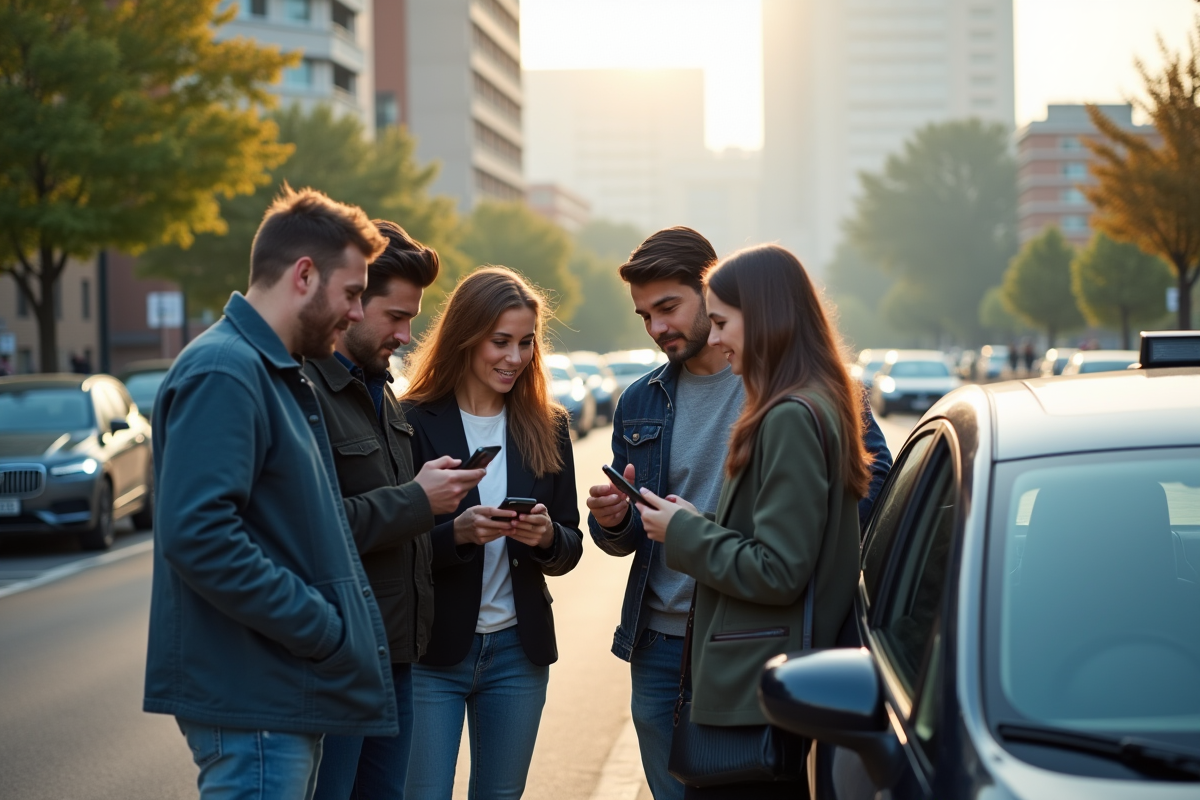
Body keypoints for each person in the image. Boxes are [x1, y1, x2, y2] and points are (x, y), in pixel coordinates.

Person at [585, 227, 892, 800]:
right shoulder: (640, 400)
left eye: (670, 308)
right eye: (643, 316)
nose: (657, 329)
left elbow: (858, 496)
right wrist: (618, 520)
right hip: (663, 638)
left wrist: (698, 530)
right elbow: (634, 536)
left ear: (715, 294)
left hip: (758, 641)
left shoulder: (789, 404)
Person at [144, 187, 397, 800]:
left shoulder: (267, 369)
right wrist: (323, 629)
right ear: (304, 275)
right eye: (353, 292)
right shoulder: (226, 372)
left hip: (272, 688)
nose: (358, 313)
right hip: (254, 698)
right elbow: (200, 535)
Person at [306, 221, 486, 800]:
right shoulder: (303, 392)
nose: (407, 335)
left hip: (399, 656)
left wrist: (445, 521)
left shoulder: (384, 391)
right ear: (353, 303)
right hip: (339, 663)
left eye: (413, 318)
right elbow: (312, 531)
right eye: (397, 317)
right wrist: (418, 499)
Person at [401, 267, 584, 799]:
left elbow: (570, 544)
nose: (514, 357)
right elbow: (390, 546)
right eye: (500, 341)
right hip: (432, 656)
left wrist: (547, 537)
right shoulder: (410, 420)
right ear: (465, 336)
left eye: (526, 343)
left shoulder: (546, 425)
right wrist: (456, 534)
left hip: (516, 656)